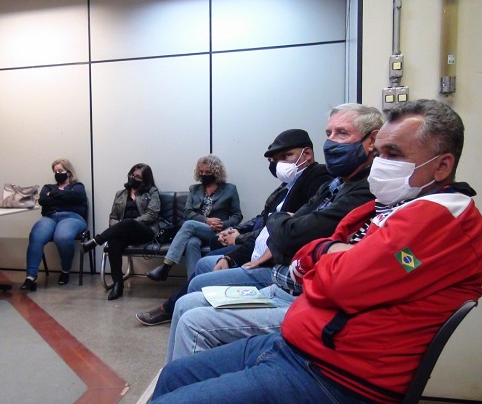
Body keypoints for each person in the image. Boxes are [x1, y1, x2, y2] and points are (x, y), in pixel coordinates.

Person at [101, 99, 482, 404]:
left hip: (338, 386)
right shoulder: (392, 206)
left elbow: (333, 278)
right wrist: (329, 254)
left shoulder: (438, 220)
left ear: (442, 165)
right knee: (175, 375)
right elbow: (313, 248)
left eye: (393, 154)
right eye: (379, 152)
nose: (379, 163)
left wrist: (324, 259)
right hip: (297, 349)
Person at [165, 103, 383, 362]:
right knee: (192, 261)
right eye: (329, 134)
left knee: (195, 294)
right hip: (276, 271)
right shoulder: (331, 184)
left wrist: (247, 233)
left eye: (342, 133)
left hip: (289, 283)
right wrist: (255, 233)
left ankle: (167, 278)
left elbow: (291, 231)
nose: (331, 142)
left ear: (372, 141)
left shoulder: (331, 180)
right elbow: (272, 223)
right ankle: (177, 345)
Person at [136, 128, 331, 326]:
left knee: (192, 234)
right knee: (193, 241)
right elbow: (263, 222)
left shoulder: (316, 177)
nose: (279, 164)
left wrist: (230, 229)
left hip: (265, 259)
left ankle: (174, 290)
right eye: (201, 173)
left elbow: (250, 220)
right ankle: (181, 305)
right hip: (209, 230)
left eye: (286, 156)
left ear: (307, 154)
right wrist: (221, 230)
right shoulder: (286, 186)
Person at [146, 154, 242, 280]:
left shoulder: (230, 189)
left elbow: (237, 215)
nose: (204, 175)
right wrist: (206, 220)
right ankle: (194, 282)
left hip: (219, 232)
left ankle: (166, 266)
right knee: (191, 242)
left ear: (216, 173)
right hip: (199, 230)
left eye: (207, 172)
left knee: (189, 225)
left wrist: (223, 224)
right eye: (201, 172)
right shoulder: (194, 189)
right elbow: (187, 213)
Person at [82, 164, 160, 300]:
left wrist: (131, 223)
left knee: (128, 222)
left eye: (137, 177)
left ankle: (96, 241)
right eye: (132, 175)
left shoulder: (152, 192)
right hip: (124, 232)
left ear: (145, 180)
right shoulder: (120, 194)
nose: (133, 178)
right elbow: (112, 218)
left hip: (145, 231)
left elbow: (152, 215)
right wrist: (121, 225)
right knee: (114, 241)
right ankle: (118, 283)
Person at [20, 158, 88, 291]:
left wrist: (54, 195)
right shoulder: (48, 187)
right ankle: (30, 277)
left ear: (68, 172)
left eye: (60, 171)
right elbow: (43, 200)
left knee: (62, 237)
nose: (57, 173)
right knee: (36, 236)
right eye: (55, 171)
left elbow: (77, 196)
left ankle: (65, 271)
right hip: (50, 217)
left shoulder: (78, 186)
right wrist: (63, 196)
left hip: (72, 217)